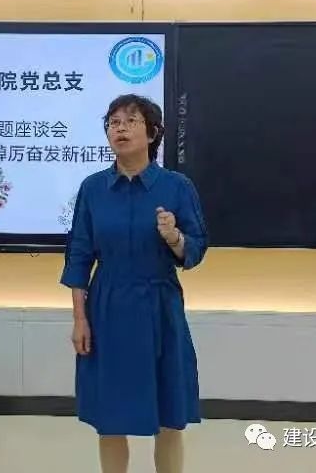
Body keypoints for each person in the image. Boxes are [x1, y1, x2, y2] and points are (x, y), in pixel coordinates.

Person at [60, 94, 208, 473]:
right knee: (110, 415)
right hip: (107, 306)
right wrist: (79, 319)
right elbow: (79, 256)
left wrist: (174, 237)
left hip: (160, 305)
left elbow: (195, 249)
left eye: (130, 121)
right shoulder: (93, 189)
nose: (120, 129)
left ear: (153, 133)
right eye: (113, 122)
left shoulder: (176, 187)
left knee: (169, 413)